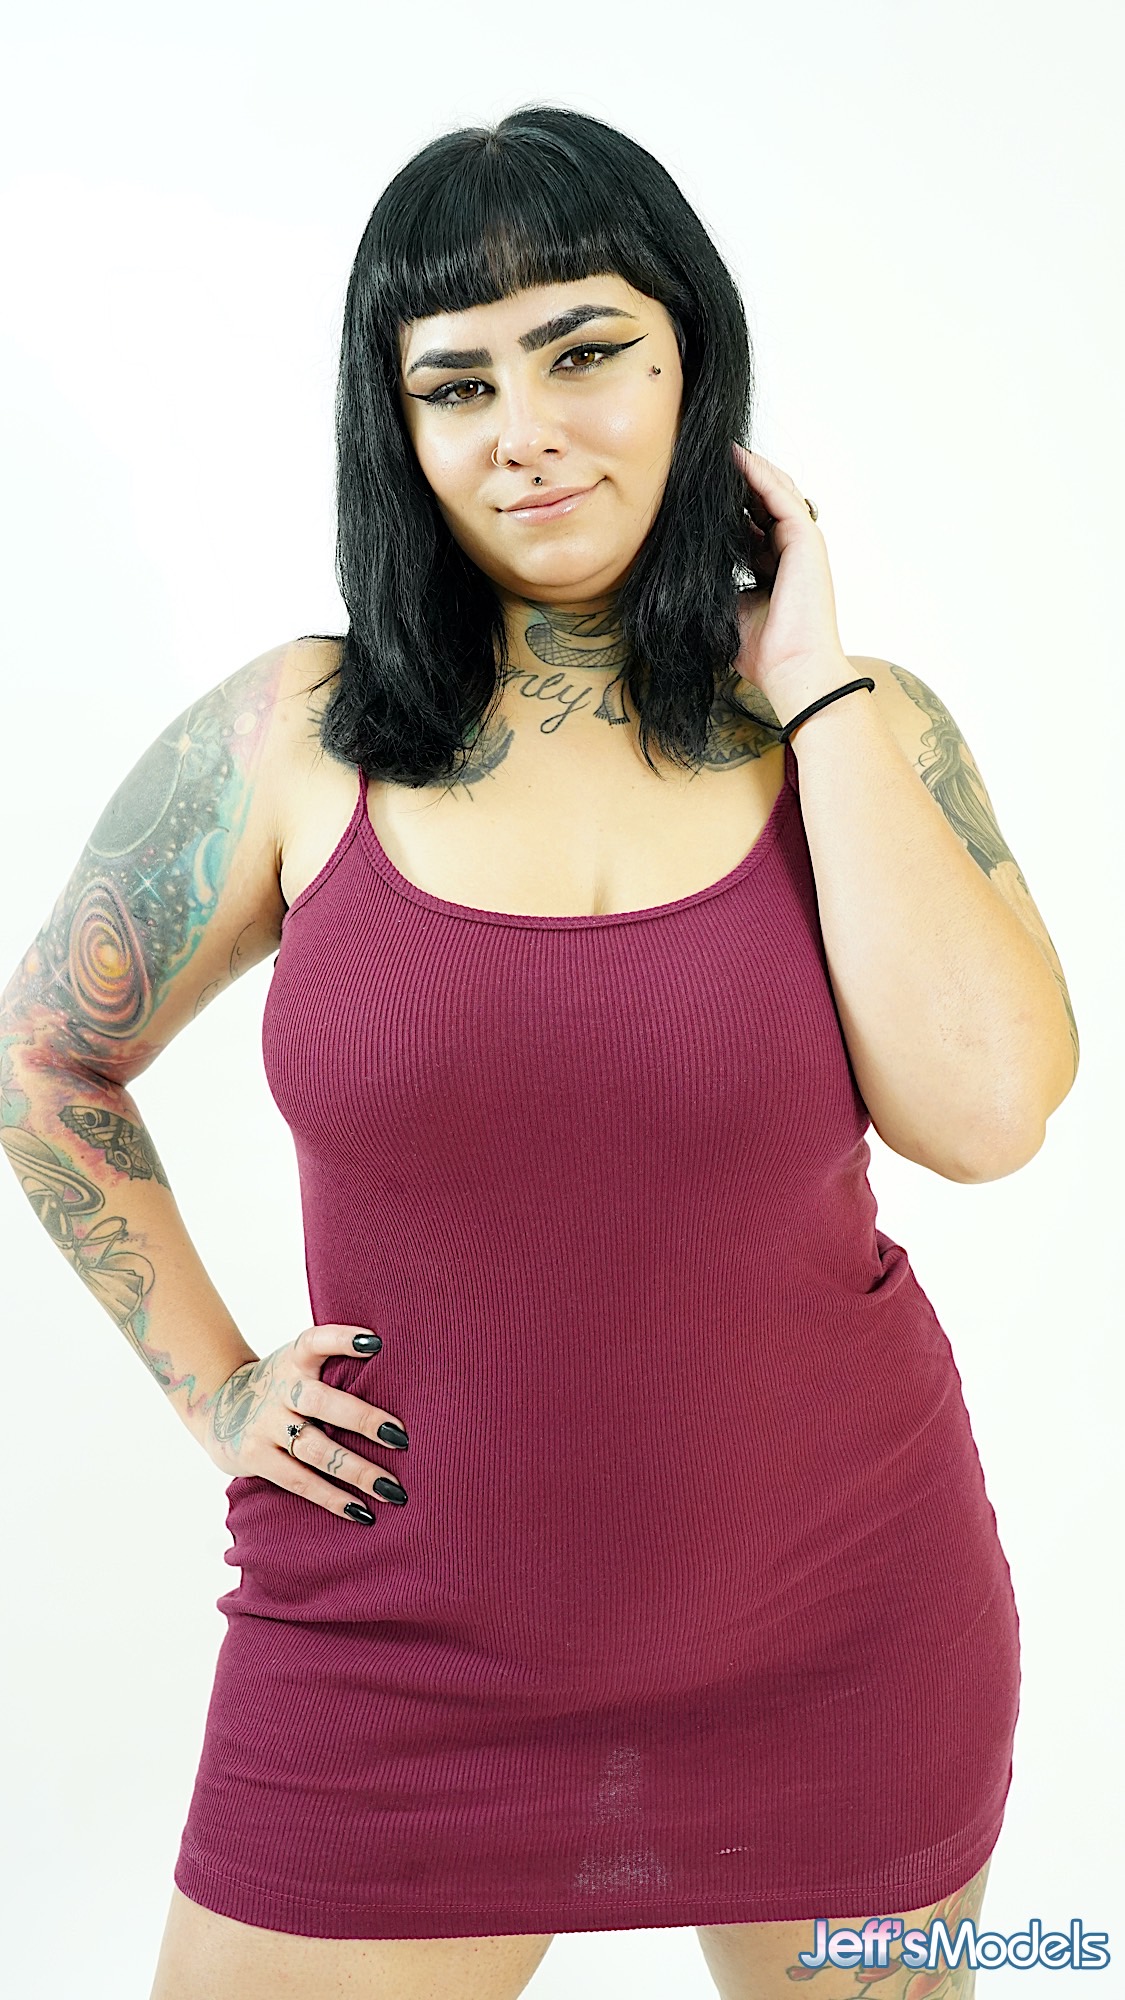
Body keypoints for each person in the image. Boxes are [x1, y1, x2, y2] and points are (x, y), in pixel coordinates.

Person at [0, 104, 1078, 2000]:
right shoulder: (298, 732)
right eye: (457, 383)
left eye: (585, 352)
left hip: (846, 1633)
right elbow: (42, 1060)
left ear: (692, 367)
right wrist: (219, 1393)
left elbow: (987, 1119)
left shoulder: (851, 727)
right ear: (396, 430)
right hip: (390, 1654)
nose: (525, 429)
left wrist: (811, 679)